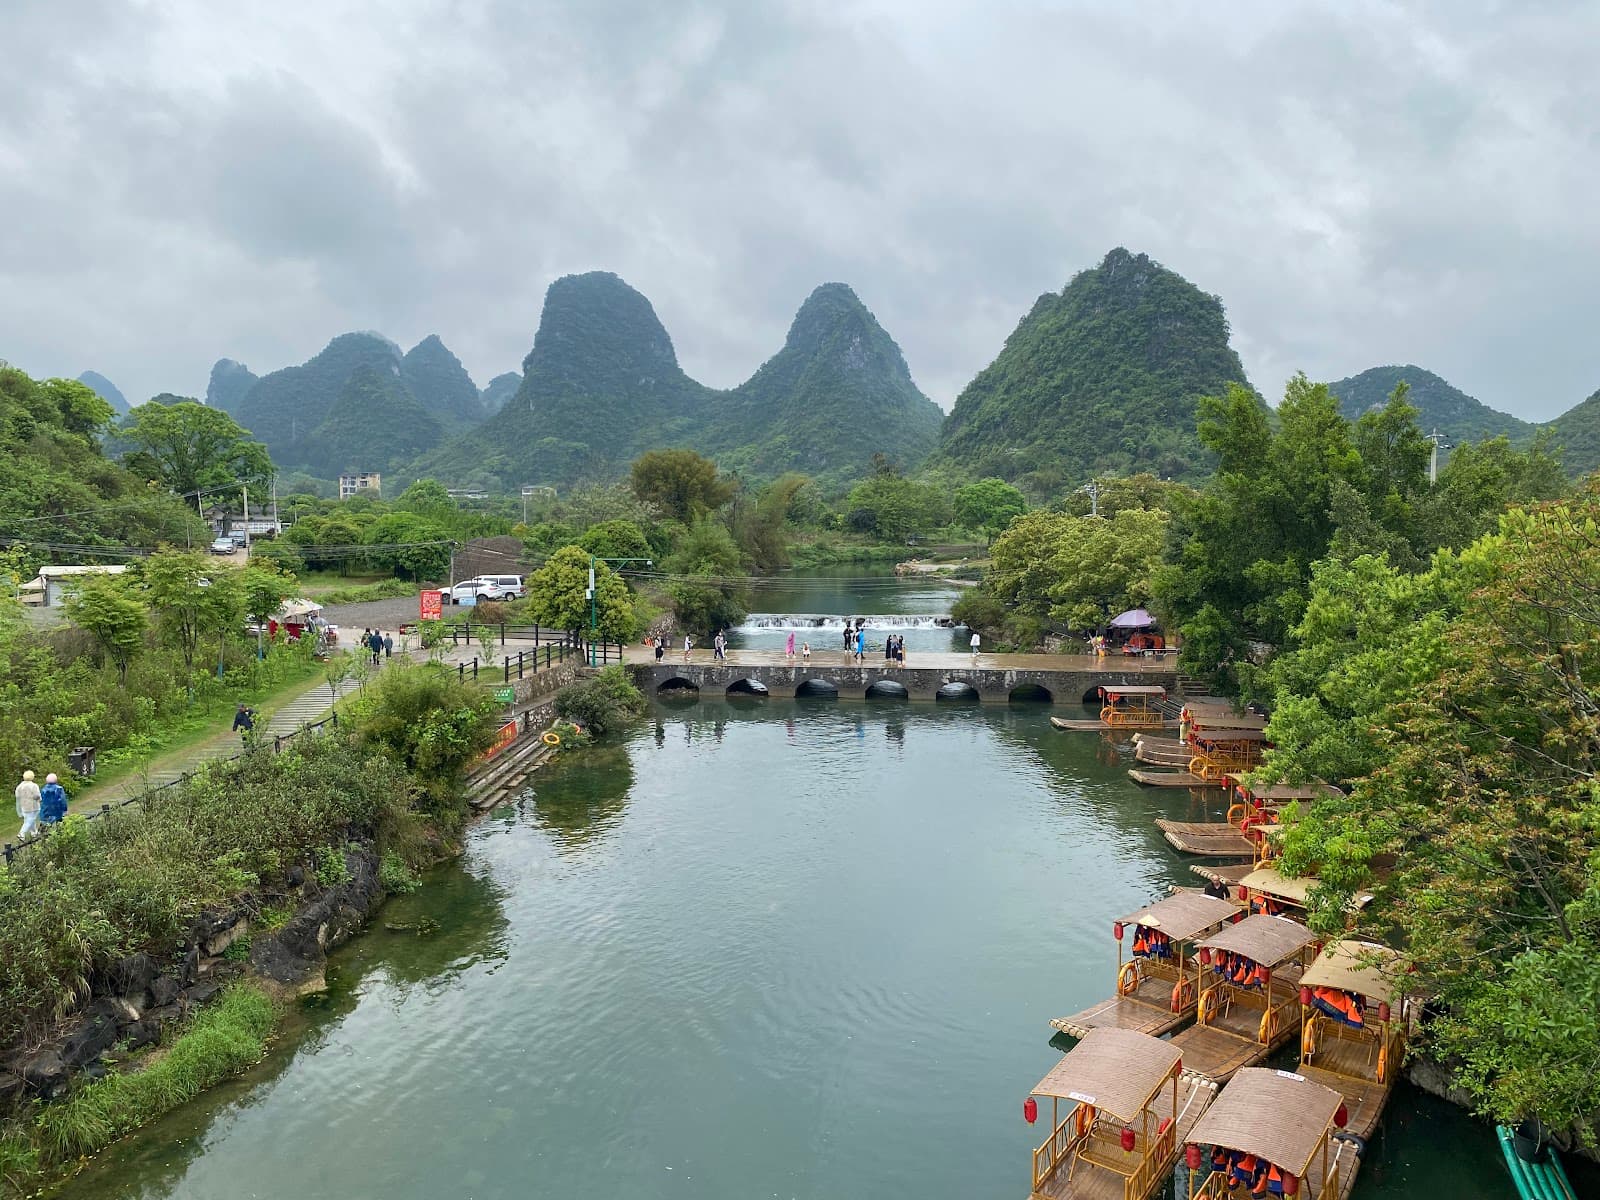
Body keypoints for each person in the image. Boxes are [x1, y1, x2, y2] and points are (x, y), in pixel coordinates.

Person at [15, 770, 41, 840]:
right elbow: (37, 796)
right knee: (30, 819)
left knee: (29, 819)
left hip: (23, 806)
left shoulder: (19, 786)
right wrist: (39, 799)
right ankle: (21, 833)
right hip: (33, 806)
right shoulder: (34, 786)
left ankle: (34, 832)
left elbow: (17, 796)